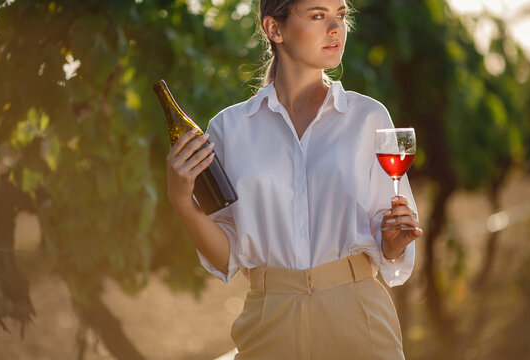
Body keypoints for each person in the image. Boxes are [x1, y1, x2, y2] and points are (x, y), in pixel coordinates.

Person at [166, 0, 423, 357]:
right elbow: (228, 256)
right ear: (275, 29)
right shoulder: (228, 129)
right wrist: (181, 201)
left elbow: (389, 245)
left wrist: (394, 243)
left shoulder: (368, 117)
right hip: (269, 319)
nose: (335, 29)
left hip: (358, 314)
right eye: (318, 16)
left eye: (341, 15)